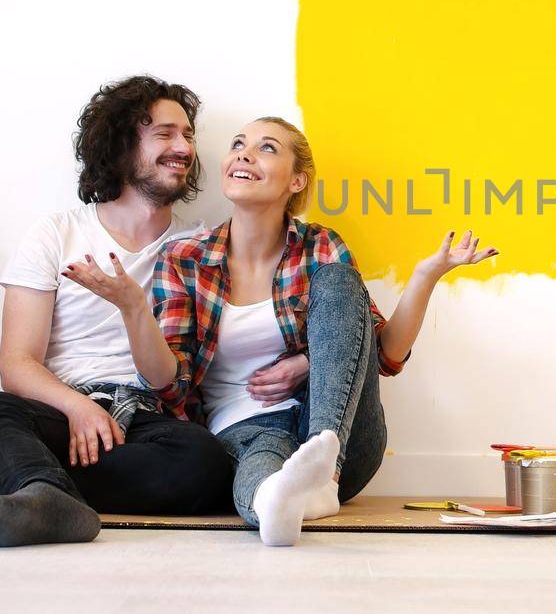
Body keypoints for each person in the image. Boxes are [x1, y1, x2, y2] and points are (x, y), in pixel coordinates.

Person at [62, 115, 497, 546]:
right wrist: (134, 308)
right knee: (265, 475)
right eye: (238, 144)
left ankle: (325, 473)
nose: (244, 154)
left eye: (267, 147)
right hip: (242, 432)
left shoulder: (321, 246)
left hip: (340, 436)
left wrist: (425, 277)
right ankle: (285, 503)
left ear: (296, 181)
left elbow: (381, 355)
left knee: (338, 279)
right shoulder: (184, 258)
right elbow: (169, 385)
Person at [0, 75, 234, 547]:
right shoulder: (55, 233)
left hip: (146, 418)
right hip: (56, 413)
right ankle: (37, 491)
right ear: (120, 144)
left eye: (188, 135)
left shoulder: (196, 248)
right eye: (165, 134)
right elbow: (17, 364)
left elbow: (169, 379)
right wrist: (78, 406)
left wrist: (133, 307)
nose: (184, 147)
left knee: (206, 462)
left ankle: (5, 488)